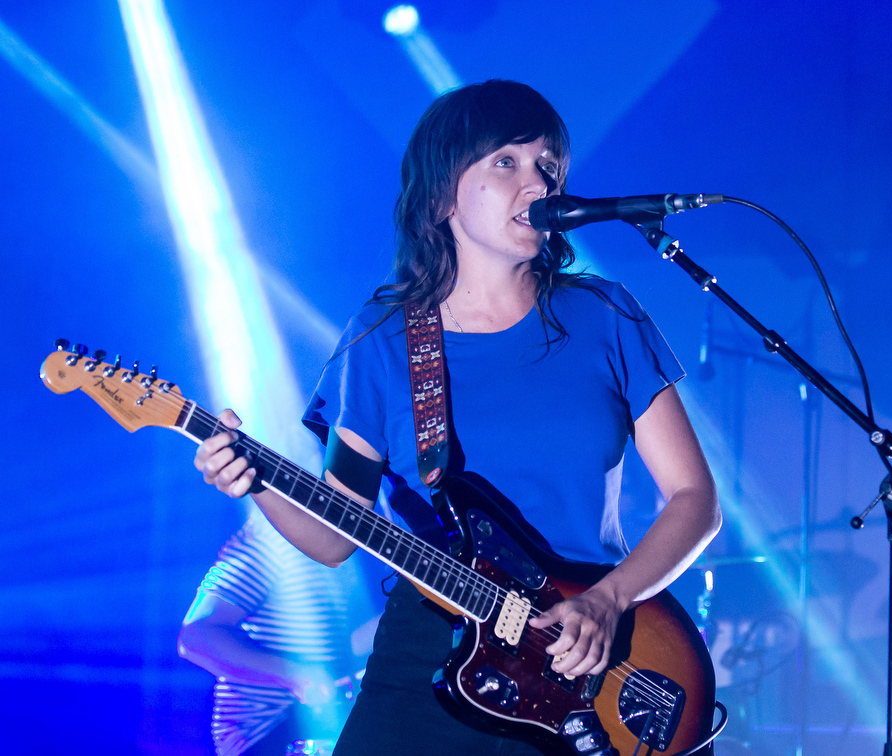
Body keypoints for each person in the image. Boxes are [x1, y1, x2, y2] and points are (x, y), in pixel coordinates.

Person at [195, 79, 721, 755]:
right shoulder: (381, 340)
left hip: (587, 649)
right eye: (506, 161)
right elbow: (335, 536)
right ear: (443, 193)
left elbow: (695, 499)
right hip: (435, 650)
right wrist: (254, 478)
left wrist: (609, 600)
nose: (538, 183)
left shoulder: (606, 316)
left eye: (548, 166)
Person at [177, 513, 358, 755]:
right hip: (268, 735)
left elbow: (349, 643)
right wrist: (296, 674)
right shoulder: (267, 538)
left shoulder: (340, 548)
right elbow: (196, 636)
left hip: (324, 725)